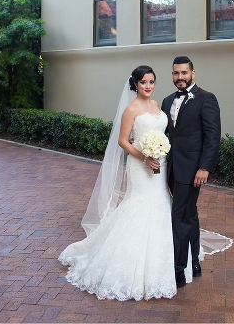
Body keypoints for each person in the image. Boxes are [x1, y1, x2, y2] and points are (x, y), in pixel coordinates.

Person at [59, 66, 180, 300]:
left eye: (152, 82)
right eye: (143, 82)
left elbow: (164, 134)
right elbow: (123, 141)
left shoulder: (157, 105)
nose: (148, 86)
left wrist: (158, 153)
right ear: (135, 84)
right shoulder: (131, 109)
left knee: (162, 203)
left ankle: (165, 259)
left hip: (160, 164)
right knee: (140, 206)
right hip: (141, 164)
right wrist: (145, 157)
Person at [161, 56, 223, 288]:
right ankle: (194, 262)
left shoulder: (207, 99)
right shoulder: (167, 101)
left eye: (184, 73)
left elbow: (212, 137)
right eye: (176, 73)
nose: (180, 78)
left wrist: (204, 167)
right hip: (172, 169)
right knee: (189, 215)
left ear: (193, 74)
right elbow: (166, 134)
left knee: (179, 217)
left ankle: (179, 270)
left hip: (192, 170)